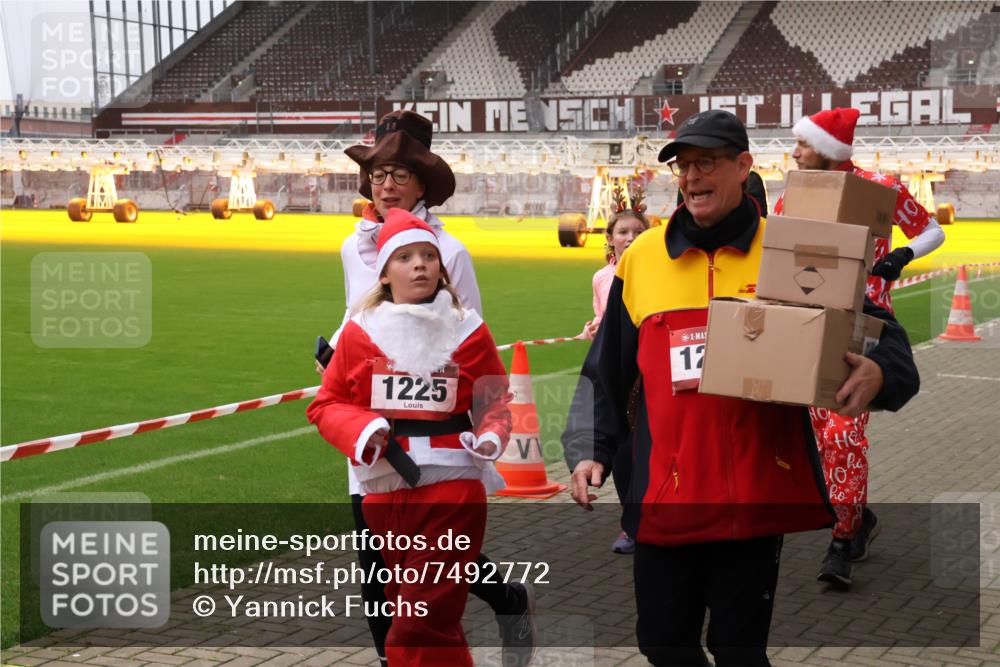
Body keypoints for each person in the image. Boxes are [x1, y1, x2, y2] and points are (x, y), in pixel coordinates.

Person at [562, 109, 920, 666]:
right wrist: (590, 449)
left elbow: (878, 331)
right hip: (664, 490)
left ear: (744, 166)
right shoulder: (644, 258)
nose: (692, 177)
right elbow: (605, 370)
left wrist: (881, 369)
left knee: (738, 650)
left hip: (754, 494)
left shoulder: (789, 248)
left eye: (707, 163)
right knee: (661, 640)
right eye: (683, 166)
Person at [323, 110, 535, 666]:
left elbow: (467, 343)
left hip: (438, 451)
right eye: (377, 174)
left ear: (423, 185)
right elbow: (359, 318)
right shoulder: (353, 247)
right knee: (377, 577)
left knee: (428, 590)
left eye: (398, 175)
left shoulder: (452, 253)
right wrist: (341, 365)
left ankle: (500, 600)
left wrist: (479, 428)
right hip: (370, 442)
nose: (386, 185)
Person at [307, 209, 512, 667]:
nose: (419, 265)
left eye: (428, 256)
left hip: (452, 489)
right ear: (384, 271)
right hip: (382, 492)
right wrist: (363, 429)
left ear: (441, 267)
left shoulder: (469, 328)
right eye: (404, 257)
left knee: (416, 624)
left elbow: (495, 401)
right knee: (426, 618)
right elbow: (325, 405)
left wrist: (491, 436)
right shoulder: (360, 333)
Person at [776, 107, 946, 588]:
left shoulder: (879, 188)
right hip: (808, 321)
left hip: (864, 329)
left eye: (802, 145)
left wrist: (901, 255)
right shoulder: (794, 195)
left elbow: (932, 230)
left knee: (842, 435)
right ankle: (857, 515)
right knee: (816, 437)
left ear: (827, 150)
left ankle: (842, 540)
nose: (794, 152)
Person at [581, 186, 649, 555]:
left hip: (646, 374)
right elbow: (603, 315)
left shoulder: (656, 272)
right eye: (623, 232)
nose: (630, 238)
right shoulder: (601, 278)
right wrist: (594, 326)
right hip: (614, 375)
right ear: (609, 239)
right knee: (621, 450)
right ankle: (630, 522)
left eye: (638, 232)